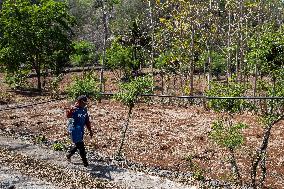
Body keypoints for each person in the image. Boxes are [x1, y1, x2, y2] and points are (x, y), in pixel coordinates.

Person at [66, 95, 93, 167]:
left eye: (86, 103)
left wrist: (90, 130)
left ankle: (69, 155)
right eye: (84, 103)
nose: (85, 104)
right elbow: (68, 115)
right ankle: (86, 164)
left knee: (78, 145)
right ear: (79, 102)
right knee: (81, 147)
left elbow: (87, 121)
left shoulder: (84, 110)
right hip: (74, 130)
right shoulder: (74, 109)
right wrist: (71, 109)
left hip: (80, 130)